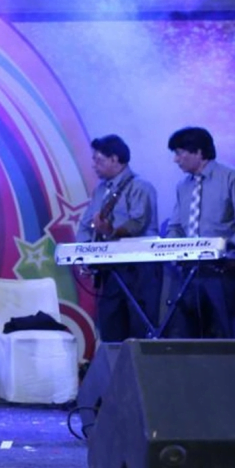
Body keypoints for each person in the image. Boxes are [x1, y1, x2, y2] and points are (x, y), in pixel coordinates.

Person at [165, 127, 235, 339]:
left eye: (179, 153)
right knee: (190, 332)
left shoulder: (231, 177)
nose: (175, 160)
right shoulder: (183, 186)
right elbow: (175, 226)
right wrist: (171, 250)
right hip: (190, 271)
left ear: (198, 152)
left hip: (225, 271)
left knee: (229, 332)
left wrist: (231, 253)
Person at [74, 135, 161, 342]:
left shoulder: (141, 186)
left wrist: (110, 232)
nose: (94, 165)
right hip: (110, 270)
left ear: (115, 159)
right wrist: (85, 253)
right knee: (111, 328)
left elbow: (137, 222)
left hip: (139, 270)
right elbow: (86, 225)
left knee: (139, 330)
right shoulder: (100, 190)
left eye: (99, 160)